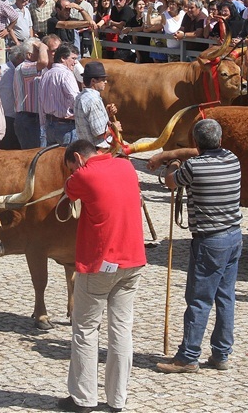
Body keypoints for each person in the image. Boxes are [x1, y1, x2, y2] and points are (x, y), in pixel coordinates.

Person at [57, 140, 146, 413]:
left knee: (85, 330)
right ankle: (117, 400)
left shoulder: (82, 175)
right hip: (133, 261)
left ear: (76, 158)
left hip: (100, 264)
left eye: (70, 166)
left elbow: (69, 193)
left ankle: (83, 399)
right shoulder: (126, 167)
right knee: (121, 330)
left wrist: (75, 174)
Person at [150, 119, 242, 373]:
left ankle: (188, 357)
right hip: (234, 236)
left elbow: (171, 182)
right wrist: (173, 154)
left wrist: (173, 162)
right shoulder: (233, 159)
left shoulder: (196, 167)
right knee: (226, 297)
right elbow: (200, 150)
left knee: (199, 300)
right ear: (220, 141)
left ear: (196, 143)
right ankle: (221, 354)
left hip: (209, 241)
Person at [39, 43, 80, 147]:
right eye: (73, 58)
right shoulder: (66, 74)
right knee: (68, 160)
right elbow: (75, 98)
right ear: (62, 58)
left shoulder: (46, 74)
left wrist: (43, 125)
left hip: (50, 125)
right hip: (66, 127)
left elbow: (41, 101)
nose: (75, 62)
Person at [73, 61, 121, 148]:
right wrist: (114, 128)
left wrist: (105, 113)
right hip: (100, 149)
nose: (105, 82)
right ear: (93, 81)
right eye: (102, 79)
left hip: (86, 147)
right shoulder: (94, 100)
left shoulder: (80, 97)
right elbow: (99, 133)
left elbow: (90, 120)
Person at [13, 37, 48, 149]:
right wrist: (42, 46)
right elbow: (43, 61)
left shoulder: (37, 68)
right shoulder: (23, 67)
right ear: (29, 55)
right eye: (38, 51)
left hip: (36, 117)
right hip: (28, 118)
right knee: (32, 154)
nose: (43, 53)